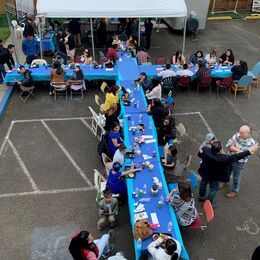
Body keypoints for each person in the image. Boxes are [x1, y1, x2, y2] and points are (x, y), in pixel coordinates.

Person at [198, 141, 258, 207]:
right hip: (214, 177)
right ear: (220, 149)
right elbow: (237, 156)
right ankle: (208, 203)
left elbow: (200, 154)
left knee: (203, 184)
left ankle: (201, 197)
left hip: (204, 173)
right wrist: (249, 151)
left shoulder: (205, 150)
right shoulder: (224, 158)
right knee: (213, 190)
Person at [225, 125, 256, 198]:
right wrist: (240, 151)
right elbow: (228, 145)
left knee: (236, 177)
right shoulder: (237, 135)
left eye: (242, 133)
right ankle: (224, 181)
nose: (239, 134)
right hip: (230, 158)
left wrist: (234, 148)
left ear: (248, 133)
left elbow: (246, 155)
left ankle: (235, 191)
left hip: (239, 163)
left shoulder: (252, 143)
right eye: (240, 132)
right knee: (227, 171)